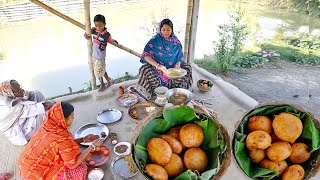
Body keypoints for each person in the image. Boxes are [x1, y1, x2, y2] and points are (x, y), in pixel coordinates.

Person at [18, 102, 102, 180]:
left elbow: (61, 146)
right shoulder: (61, 139)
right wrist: (92, 146)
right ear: (63, 119)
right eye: (72, 116)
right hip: (35, 175)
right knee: (81, 168)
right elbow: (73, 164)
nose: (74, 118)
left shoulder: (48, 126)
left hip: (25, 164)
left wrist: (83, 139)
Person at [138, 18, 193, 95]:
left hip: (173, 69)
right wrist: (158, 65)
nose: (166, 32)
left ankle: (178, 91)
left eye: (168, 30)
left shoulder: (175, 41)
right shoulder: (155, 40)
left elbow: (179, 56)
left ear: (172, 30)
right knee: (144, 69)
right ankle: (156, 92)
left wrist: (178, 64)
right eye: (163, 30)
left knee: (188, 67)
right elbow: (146, 55)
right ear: (160, 30)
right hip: (158, 69)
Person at [0, 80, 54, 145]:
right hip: (22, 133)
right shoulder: (9, 107)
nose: (21, 90)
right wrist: (56, 103)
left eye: (20, 87)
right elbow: (36, 108)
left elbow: (27, 96)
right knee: (43, 112)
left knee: (36, 94)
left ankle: (45, 124)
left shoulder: (11, 97)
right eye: (18, 90)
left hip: (24, 120)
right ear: (10, 94)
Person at [84, 14, 118, 92]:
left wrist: (114, 41)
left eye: (100, 26)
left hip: (100, 56)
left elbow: (111, 40)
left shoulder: (106, 35)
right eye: (96, 25)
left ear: (104, 24)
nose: (98, 28)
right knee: (102, 70)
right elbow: (87, 35)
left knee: (98, 72)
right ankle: (109, 82)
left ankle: (102, 84)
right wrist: (86, 36)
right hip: (94, 55)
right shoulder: (94, 30)